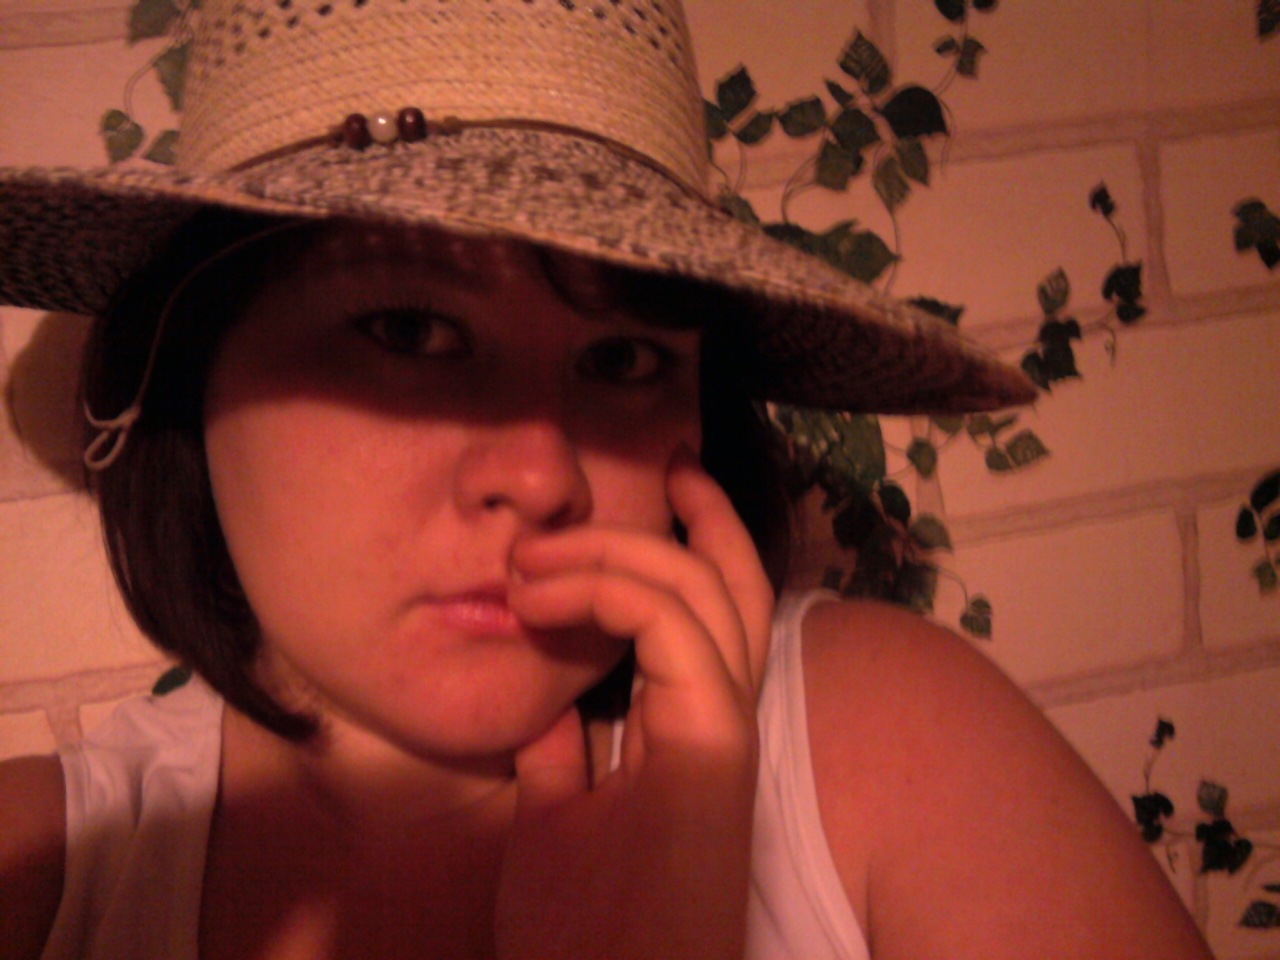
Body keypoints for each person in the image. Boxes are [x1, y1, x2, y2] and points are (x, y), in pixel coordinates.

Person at [0, 2, 1213, 958]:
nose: (543, 476)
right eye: (409, 332)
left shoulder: (881, 746)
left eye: (623, 359)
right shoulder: (43, 872)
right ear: (185, 364)